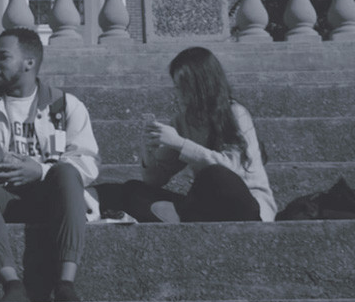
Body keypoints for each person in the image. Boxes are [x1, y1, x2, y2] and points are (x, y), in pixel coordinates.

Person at [0, 27, 101, 302]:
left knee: (67, 171)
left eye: (2, 57)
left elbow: (87, 161)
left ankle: (65, 283)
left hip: (52, 198)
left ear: (29, 62)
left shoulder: (65, 105)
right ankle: (12, 284)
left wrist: (40, 171)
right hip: (3, 199)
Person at [104, 46, 276, 224]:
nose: (178, 94)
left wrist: (179, 143)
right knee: (133, 190)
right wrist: (149, 150)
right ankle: (183, 215)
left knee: (214, 175)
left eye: (183, 87)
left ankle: (181, 215)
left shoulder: (236, 113)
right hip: (205, 206)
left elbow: (231, 169)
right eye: (176, 87)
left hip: (247, 206)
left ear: (202, 85)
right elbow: (153, 181)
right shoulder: (182, 122)